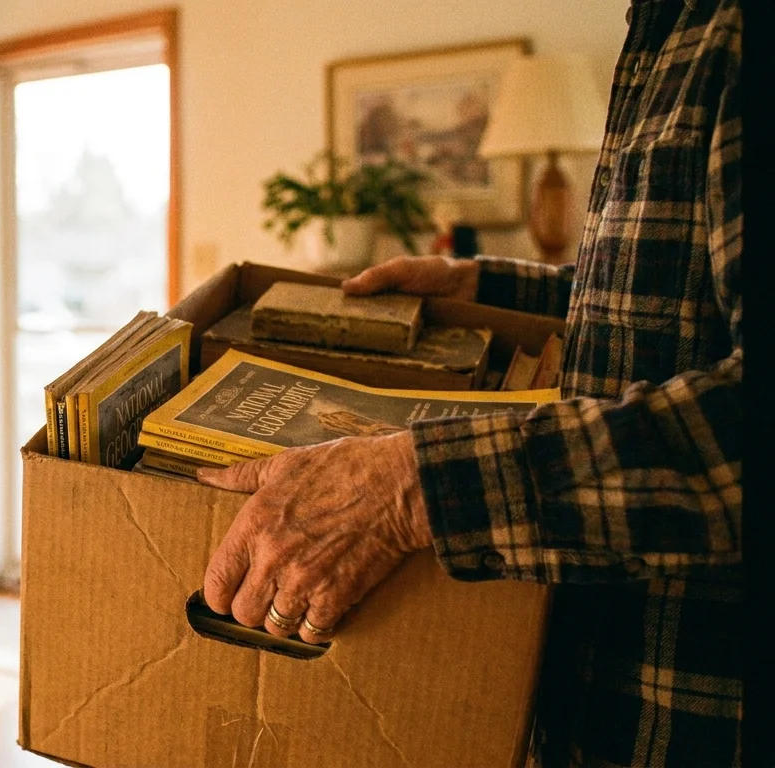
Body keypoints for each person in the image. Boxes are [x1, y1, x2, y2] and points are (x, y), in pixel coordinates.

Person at [196, 1, 742, 765]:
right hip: (578, 691)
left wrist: (409, 488)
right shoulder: (667, 23)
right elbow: (661, 303)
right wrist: (477, 283)